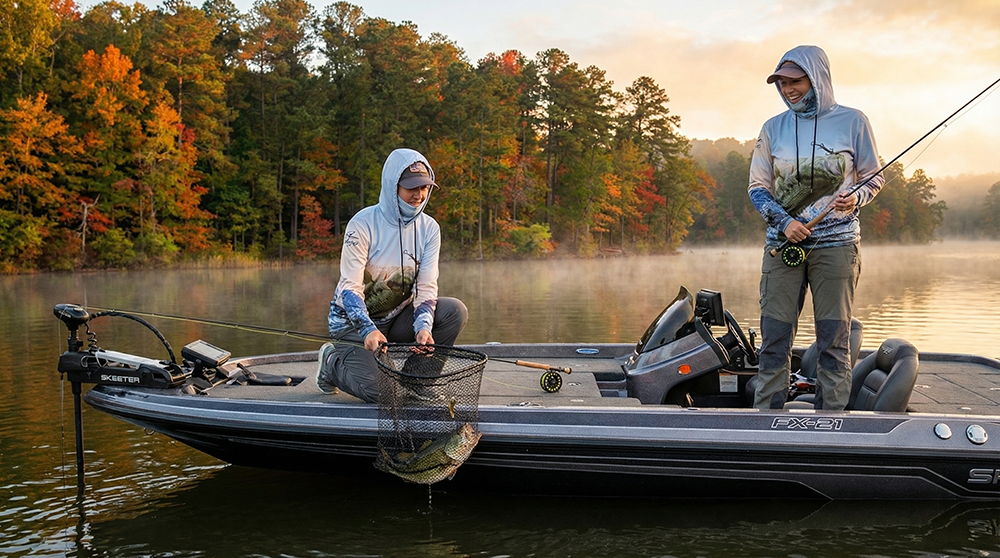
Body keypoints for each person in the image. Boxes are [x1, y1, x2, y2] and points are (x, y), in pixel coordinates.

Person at [748, 45, 884, 411]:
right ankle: (765, 422)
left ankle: (832, 424)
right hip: (783, 246)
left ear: (817, 78)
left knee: (834, 342)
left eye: (795, 81)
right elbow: (758, 188)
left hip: (837, 248)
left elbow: (874, 178)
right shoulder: (772, 128)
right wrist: (786, 221)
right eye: (781, 82)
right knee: (774, 340)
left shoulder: (853, 121)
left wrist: (856, 199)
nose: (788, 89)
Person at [317, 148, 468, 402]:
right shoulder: (362, 224)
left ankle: (418, 380)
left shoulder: (430, 229)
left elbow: (426, 287)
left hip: (396, 319)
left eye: (424, 188)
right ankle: (331, 363)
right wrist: (367, 329)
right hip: (352, 324)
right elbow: (349, 287)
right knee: (384, 394)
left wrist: (423, 328)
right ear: (392, 185)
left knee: (455, 311)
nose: (419, 195)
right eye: (411, 187)